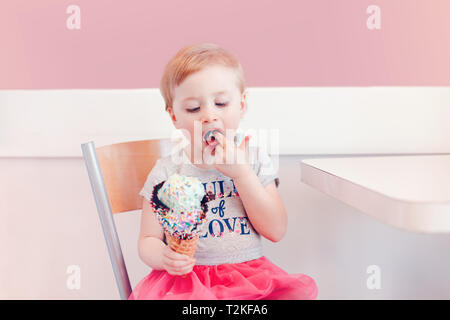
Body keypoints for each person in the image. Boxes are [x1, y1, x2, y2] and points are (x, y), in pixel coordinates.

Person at [128, 43, 318, 300]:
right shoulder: (167, 171)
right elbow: (148, 239)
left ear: (241, 105)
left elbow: (275, 230)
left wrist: (241, 174)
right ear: (174, 117)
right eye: (194, 109)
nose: (209, 115)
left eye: (220, 103)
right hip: (187, 285)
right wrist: (164, 257)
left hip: (249, 280)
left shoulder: (252, 159)